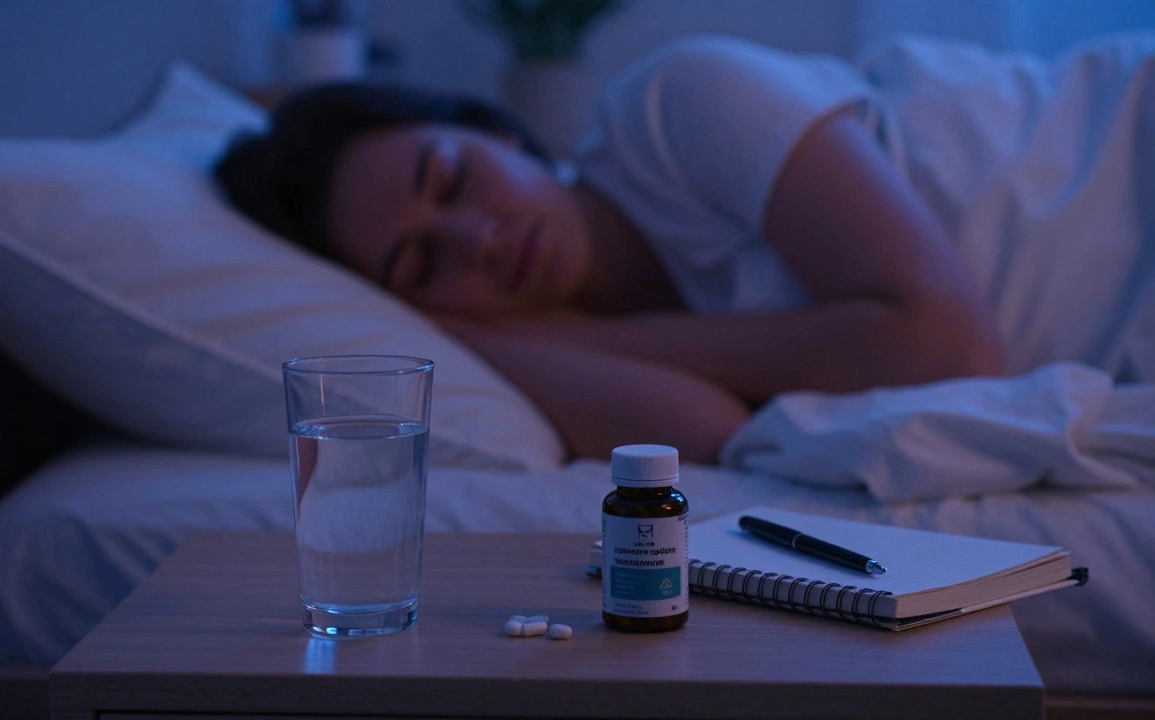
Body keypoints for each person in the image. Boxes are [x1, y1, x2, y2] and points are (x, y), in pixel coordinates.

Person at [216, 32, 1155, 464]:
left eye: (452, 177)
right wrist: (494, 342)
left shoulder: (679, 104)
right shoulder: (558, 339)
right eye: (420, 265)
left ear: (498, 131)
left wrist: (568, 342)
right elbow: (710, 440)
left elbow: (949, 352)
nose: (476, 240)